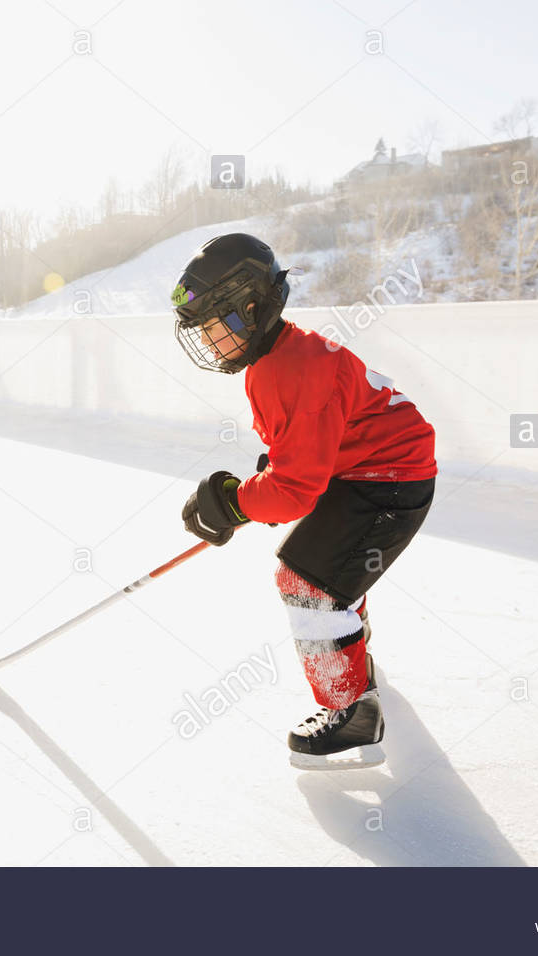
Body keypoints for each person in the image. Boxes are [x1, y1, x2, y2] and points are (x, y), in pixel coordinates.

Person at [173, 233, 437, 766]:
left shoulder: (293, 369)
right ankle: (351, 646)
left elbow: (294, 491)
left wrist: (236, 502)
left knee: (308, 581)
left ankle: (351, 709)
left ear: (252, 308)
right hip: (365, 472)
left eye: (214, 325)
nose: (208, 340)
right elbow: (297, 454)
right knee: (327, 566)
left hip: (389, 482)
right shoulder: (278, 357)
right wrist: (256, 488)